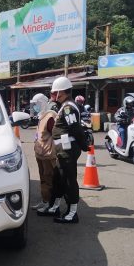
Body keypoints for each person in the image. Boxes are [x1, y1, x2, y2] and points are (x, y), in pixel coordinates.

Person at [50, 76, 90, 223]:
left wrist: (84, 145)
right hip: (63, 150)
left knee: (68, 180)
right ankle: (55, 206)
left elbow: (76, 129)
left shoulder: (68, 107)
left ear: (61, 92)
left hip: (68, 150)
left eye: (55, 93)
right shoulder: (65, 105)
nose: (53, 96)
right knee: (59, 178)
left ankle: (72, 213)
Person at [29, 94, 58, 214]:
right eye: (34, 105)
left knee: (48, 179)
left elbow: (55, 135)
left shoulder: (50, 116)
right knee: (42, 179)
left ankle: (50, 204)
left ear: (42, 103)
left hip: (47, 154)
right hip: (40, 153)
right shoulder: (42, 116)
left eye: (36, 104)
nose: (34, 107)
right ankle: (44, 201)